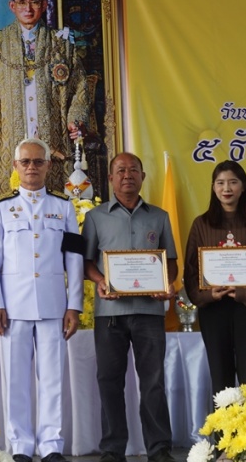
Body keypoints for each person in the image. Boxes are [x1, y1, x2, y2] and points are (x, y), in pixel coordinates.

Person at [0, 138, 84, 462]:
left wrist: (74, 304)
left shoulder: (63, 207)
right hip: (13, 307)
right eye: (25, 162)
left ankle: (51, 444)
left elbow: (74, 259)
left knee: (53, 378)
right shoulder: (0, 207)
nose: (31, 167)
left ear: (48, 166)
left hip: (54, 305)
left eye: (38, 161)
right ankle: (21, 446)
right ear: (15, 166)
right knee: (16, 381)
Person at [81, 152, 178, 462]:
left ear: (142, 177)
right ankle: (112, 449)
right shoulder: (95, 217)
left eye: (133, 170)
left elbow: (170, 262)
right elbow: (86, 263)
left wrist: (167, 283)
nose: (127, 175)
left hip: (149, 313)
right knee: (109, 382)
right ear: (110, 178)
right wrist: (101, 280)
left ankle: (159, 448)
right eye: (120, 170)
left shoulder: (159, 217)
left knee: (153, 382)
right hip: (110, 314)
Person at [0, 0, 90, 194]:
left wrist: (75, 120)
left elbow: (79, 85)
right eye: (22, 3)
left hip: (51, 131)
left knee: (53, 193)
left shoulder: (62, 44)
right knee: (9, 194)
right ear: (12, 6)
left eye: (34, 2)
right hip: (6, 134)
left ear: (44, 5)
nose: (28, 8)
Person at [183, 160, 246, 395]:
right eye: (220, 183)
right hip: (213, 310)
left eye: (233, 182)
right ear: (213, 188)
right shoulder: (201, 224)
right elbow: (191, 270)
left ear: (243, 187)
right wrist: (207, 295)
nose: (226, 188)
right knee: (220, 379)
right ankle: (222, 421)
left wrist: (245, 293)